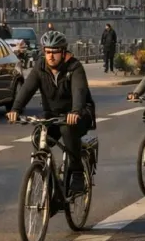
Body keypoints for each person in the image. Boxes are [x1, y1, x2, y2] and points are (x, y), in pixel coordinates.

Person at [8, 31, 95, 193]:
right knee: (38, 136)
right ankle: (47, 174)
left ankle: (77, 173)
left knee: (67, 130)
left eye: (55, 52)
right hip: (53, 115)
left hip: (79, 113)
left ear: (63, 52)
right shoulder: (40, 68)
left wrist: (76, 111)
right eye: (48, 52)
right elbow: (27, 89)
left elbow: (79, 91)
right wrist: (16, 109)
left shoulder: (74, 67)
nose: (51, 56)